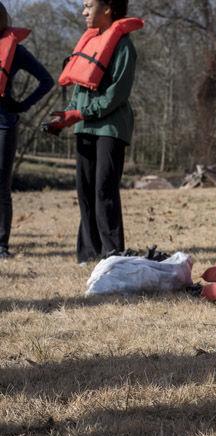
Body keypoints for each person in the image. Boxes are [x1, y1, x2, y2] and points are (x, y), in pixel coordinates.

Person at [47, 0, 141, 263]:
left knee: (104, 189)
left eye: (89, 5)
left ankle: (112, 254)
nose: (84, 12)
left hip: (110, 127)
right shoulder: (90, 42)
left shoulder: (124, 46)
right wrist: (67, 115)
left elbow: (116, 95)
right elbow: (79, 87)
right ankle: (88, 255)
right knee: (85, 189)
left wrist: (82, 112)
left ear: (108, 8)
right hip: (84, 126)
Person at [0, 2, 54, 259]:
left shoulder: (16, 50)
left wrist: (22, 105)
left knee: (1, 186)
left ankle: (1, 246)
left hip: (4, 123)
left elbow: (46, 80)